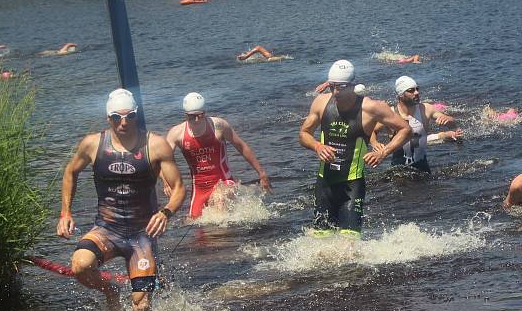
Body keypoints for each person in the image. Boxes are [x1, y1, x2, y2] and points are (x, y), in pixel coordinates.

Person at [56, 89, 185, 311]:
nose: (123, 122)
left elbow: (179, 187)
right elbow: (70, 172)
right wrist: (65, 213)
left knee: (141, 305)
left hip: (141, 235)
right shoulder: (93, 144)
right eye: (117, 117)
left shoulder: (155, 145)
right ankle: (110, 292)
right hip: (106, 228)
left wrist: (166, 212)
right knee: (80, 266)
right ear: (108, 118)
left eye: (130, 116)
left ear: (137, 115)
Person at [298, 60, 412, 238]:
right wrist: (317, 146)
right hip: (324, 184)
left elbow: (405, 129)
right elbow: (303, 133)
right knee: (320, 241)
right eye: (332, 87)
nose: (336, 92)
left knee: (349, 244)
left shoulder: (371, 108)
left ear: (353, 85)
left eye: (341, 87)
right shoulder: (320, 103)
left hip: (352, 185)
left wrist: (383, 152)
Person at [166, 92, 272, 219]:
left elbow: (242, 147)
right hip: (199, 189)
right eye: (192, 117)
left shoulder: (219, 126)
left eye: (200, 115)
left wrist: (261, 173)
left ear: (205, 112)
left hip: (223, 181)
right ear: (185, 116)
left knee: (219, 203)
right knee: (194, 224)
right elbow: (163, 160)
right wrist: (166, 181)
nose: (197, 120)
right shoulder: (176, 133)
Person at [370, 75, 462, 173]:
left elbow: (453, 125)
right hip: (398, 170)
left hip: (422, 166)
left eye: (417, 89)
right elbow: (372, 130)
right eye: (411, 90)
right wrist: (374, 143)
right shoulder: (390, 114)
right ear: (401, 94)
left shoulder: (426, 109)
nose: (417, 93)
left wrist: (448, 118)